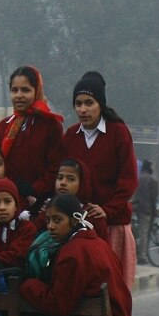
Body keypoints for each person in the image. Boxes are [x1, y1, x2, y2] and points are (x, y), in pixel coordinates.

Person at [63, 71, 139, 290]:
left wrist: (108, 210)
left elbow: (128, 180)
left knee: (113, 290)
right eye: (78, 104)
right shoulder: (70, 136)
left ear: (101, 104)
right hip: (78, 225)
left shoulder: (118, 132)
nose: (83, 110)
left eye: (89, 103)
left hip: (113, 225)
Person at [0, 65, 67, 202]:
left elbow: (55, 169)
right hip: (9, 202)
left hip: (43, 202)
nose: (19, 95)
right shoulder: (4, 126)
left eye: (26, 90)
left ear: (37, 91)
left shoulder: (51, 125)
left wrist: (33, 190)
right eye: (14, 90)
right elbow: (0, 165)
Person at [0, 177, 36, 267]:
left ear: (16, 206)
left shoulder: (27, 228)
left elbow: (17, 256)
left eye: (7, 201)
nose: (2, 207)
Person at [132, 160, 159, 263]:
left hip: (136, 207)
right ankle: (142, 256)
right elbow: (153, 197)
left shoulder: (138, 178)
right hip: (146, 209)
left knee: (136, 231)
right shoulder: (152, 180)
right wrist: (154, 210)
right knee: (144, 232)